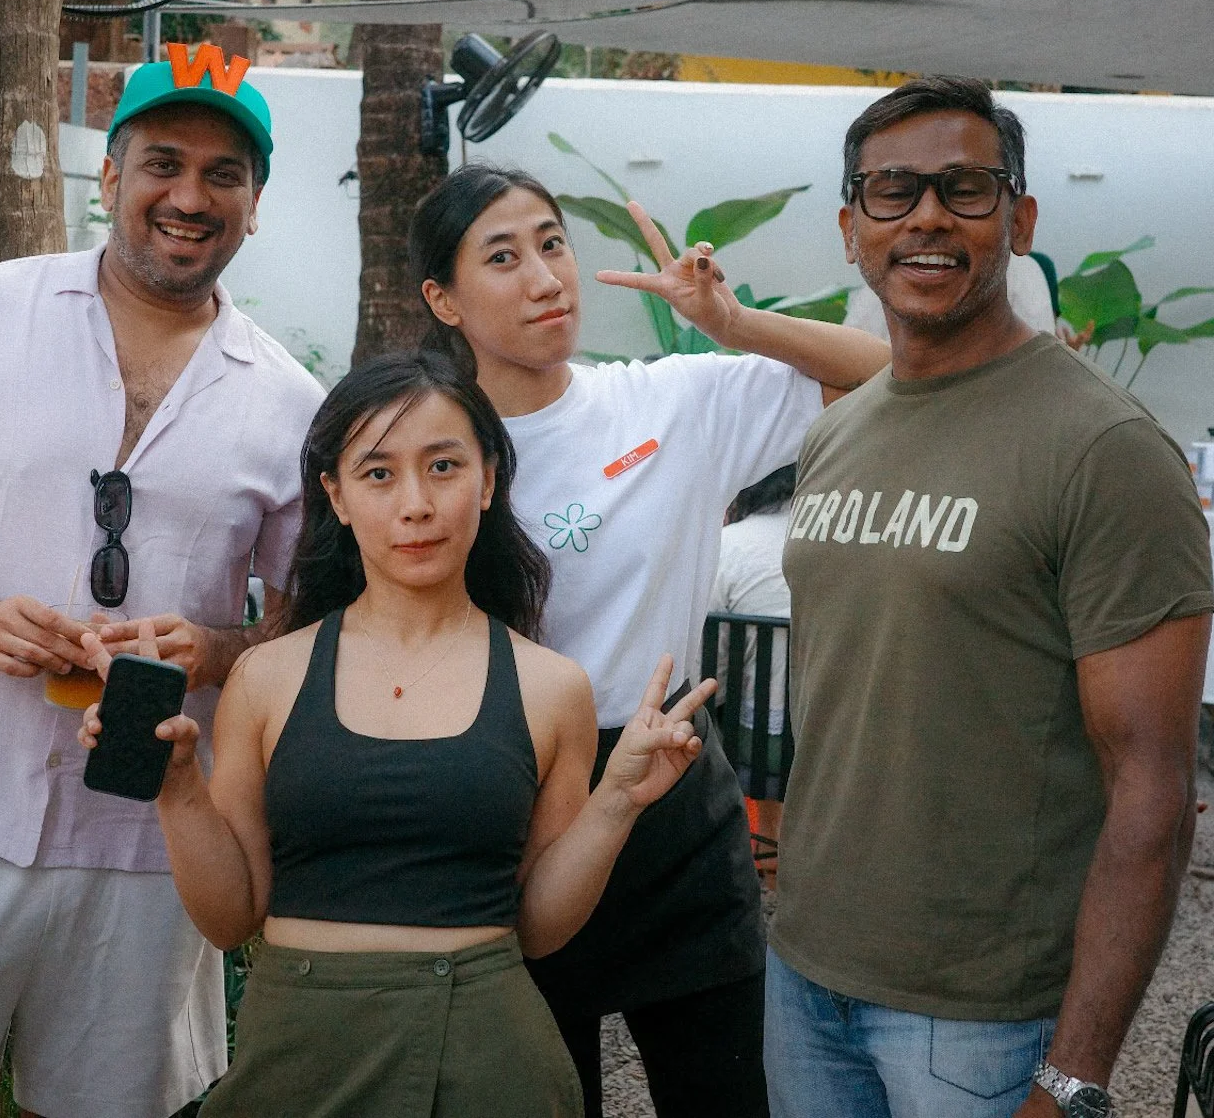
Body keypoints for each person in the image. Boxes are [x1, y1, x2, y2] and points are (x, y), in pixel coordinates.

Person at [0, 44, 324, 1118]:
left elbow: (311, 620)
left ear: (255, 206)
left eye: (224, 175)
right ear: (109, 178)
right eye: (162, 163)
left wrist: (217, 651)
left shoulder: (288, 402)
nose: (188, 197)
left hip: (151, 840)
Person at [75, 350, 718, 1117]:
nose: (415, 503)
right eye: (379, 474)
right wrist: (176, 783)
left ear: (486, 481)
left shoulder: (551, 687)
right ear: (336, 497)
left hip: (489, 1055)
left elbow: (540, 930)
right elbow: (231, 915)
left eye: (443, 466)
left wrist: (618, 801)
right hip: (300, 1053)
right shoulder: (268, 677)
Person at [770, 76, 1214, 1118]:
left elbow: (1151, 793)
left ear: (1016, 220)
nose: (926, 215)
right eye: (892, 191)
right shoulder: (837, 431)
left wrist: (1072, 1078)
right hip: (802, 978)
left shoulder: (1103, 451)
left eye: (963, 188)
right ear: (850, 229)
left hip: (977, 1017)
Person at [412, 164, 892, 1118]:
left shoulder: (667, 402)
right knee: (546, 1096)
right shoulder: (426, 445)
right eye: (502, 257)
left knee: (728, 1091)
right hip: (508, 797)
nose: (545, 276)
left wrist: (737, 324)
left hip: (672, 787)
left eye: (553, 244)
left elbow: (892, 371)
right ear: (444, 298)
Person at [710, 463, 796, 864]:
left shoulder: (728, 547)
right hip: (836, 738)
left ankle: (764, 855)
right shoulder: (838, 544)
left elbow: (714, 673)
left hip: (758, 746)